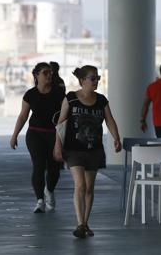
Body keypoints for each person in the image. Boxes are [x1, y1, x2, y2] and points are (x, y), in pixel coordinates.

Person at [53, 65, 122, 238]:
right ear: (82, 80)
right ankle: (79, 223)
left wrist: (116, 138)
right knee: (80, 185)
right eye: (93, 78)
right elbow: (61, 123)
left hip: (94, 149)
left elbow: (110, 120)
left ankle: (85, 223)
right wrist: (57, 145)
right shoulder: (71, 99)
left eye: (97, 78)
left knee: (89, 187)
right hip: (74, 149)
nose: (96, 81)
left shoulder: (101, 100)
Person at [10, 62, 65, 213]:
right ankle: (39, 200)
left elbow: (65, 116)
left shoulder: (58, 93)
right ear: (36, 75)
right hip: (35, 134)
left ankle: (50, 190)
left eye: (50, 73)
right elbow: (22, 117)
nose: (49, 75)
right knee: (39, 166)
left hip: (53, 134)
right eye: (45, 73)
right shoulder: (30, 94)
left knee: (54, 169)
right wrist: (14, 135)